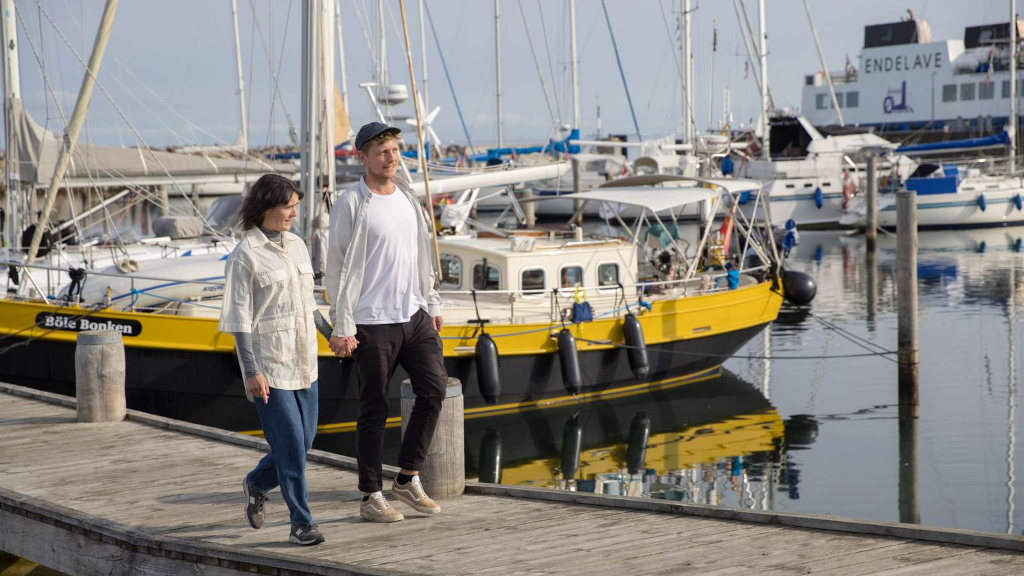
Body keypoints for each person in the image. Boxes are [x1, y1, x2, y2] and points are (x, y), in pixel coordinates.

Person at [325, 122, 446, 523]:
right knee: (373, 408)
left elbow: (421, 256)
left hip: (413, 316)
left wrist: (431, 303)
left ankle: (407, 478)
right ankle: (370, 496)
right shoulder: (352, 203)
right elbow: (337, 269)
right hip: (371, 322)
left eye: (395, 150)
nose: (391, 158)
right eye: (382, 152)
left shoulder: (409, 198)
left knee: (434, 391)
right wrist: (341, 325)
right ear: (362, 157)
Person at [219, 174, 332, 546]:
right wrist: (251, 372)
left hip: (304, 362)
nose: (294, 214)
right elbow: (238, 320)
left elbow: (309, 305)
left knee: (305, 441)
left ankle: (257, 482)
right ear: (267, 206)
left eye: (296, 207)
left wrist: (333, 336)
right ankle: (301, 522)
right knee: (291, 446)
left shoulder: (298, 245)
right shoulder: (244, 256)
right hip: (269, 367)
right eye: (288, 207)